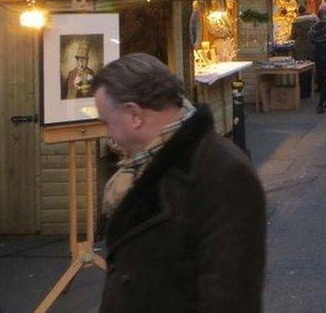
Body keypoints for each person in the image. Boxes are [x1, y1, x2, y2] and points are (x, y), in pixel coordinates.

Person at [96, 54, 265, 311]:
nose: (108, 133)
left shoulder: (224, 173)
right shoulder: (147, 165)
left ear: (134, 115)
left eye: (107, 122)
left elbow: (229, 297)